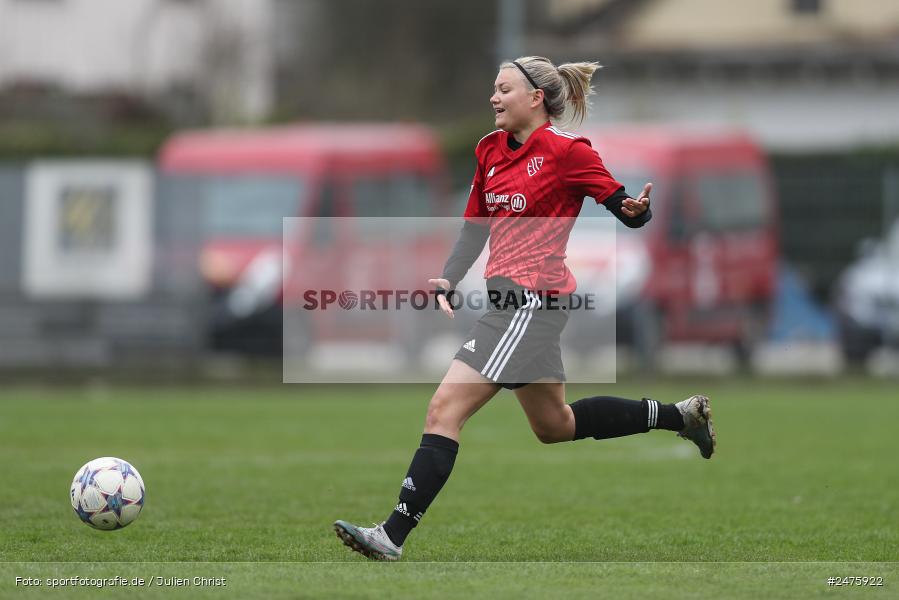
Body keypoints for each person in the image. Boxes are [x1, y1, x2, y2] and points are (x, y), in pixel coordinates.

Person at [334, 56, 716, 561]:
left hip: (530, 302)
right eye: (493, 89)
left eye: (504, 89)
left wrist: (636, 211)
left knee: (443, 409)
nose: (494, 97)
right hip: (512, 302)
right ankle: (680, 416)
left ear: (536, 97)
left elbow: (620, 203)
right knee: (553, 425)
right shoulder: (489, 151)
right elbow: (475, 226)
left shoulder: (567, 151)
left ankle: (391, 536)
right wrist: (450, 275)